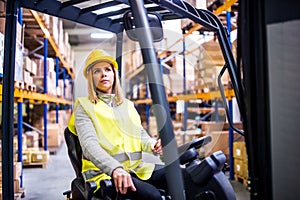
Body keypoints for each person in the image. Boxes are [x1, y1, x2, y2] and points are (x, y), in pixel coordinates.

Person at [68, 49, 171, 199]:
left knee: (179, 176)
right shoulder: (84, 107)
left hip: (136, 169)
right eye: (97, 71)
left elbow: (140, 135)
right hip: (105, 174)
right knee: (153, 196)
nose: (103, 74)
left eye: (107, 69)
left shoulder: (127, 105)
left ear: (114, 74)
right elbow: (90, 146)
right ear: (91, 77)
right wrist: (115, 168)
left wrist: (153, 144)